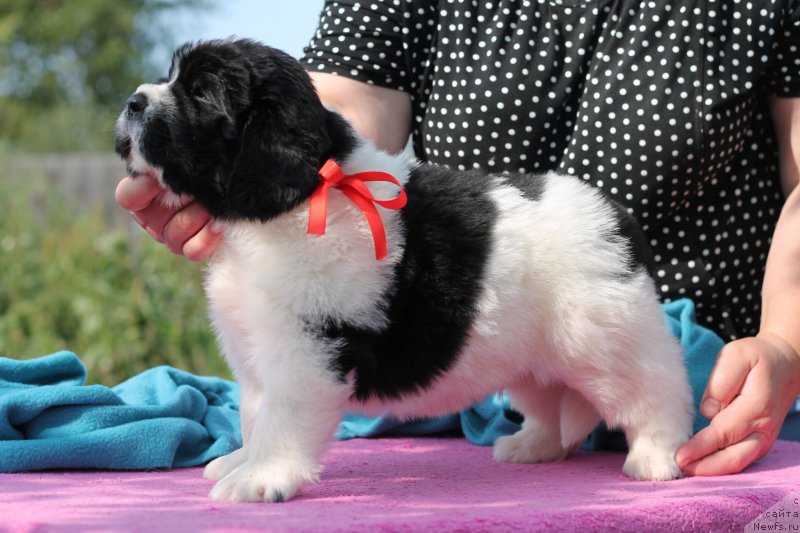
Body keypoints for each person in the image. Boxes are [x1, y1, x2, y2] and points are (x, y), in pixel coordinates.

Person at [116, 1, 800, 476]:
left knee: (595, 340)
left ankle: (654, 420)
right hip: (469, 356)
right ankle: (547, 423)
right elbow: (343, 111)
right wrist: (271, 203)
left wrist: (786, 341)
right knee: (528, 352)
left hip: (731, 376)